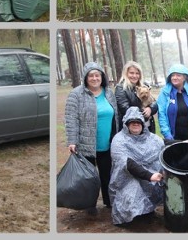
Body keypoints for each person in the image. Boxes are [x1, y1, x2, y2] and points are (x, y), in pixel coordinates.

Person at [64, 61, 119, 215]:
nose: (95, 78)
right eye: (91, 76)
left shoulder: (109, 93)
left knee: (107, 174)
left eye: (98, 75)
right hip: (85, 144)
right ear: (85, 78)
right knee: (88, 177)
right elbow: (71, 118)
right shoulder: (76, 94)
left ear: (102, 77)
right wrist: (72, 140)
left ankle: (109, 201)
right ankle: (89, 204)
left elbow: (116, 116)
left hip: (107, 143)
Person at [108, 107, 165, 226]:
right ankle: (125, 217)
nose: (135, 124)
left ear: (143, 124)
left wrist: (183, 141)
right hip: (126, 180)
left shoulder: (151, 138)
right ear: (126, 124)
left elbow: (164, 143)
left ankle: (146, 211)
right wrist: (150, 176)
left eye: (138, 122)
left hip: (148, 180)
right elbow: (127, 163)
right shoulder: (118, 140)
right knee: (133, 190)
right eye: (132, 122)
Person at [156, 63, 188, 142]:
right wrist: (166, 133)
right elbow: (161, 114)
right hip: (173, 139)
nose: (175, 78)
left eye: (178, 75)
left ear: (185, 77)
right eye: (172, 75)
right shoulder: (164, 92)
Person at [114, 61, 157, 134]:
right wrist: (145, 114)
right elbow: (125, 109)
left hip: (148, 127)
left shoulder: (145, 85)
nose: (134, 76)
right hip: (131, 129)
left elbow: (154, 102)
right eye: (131, 73)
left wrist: (150, 109)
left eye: (137, 73)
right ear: (126, 73)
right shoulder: (120, 88)